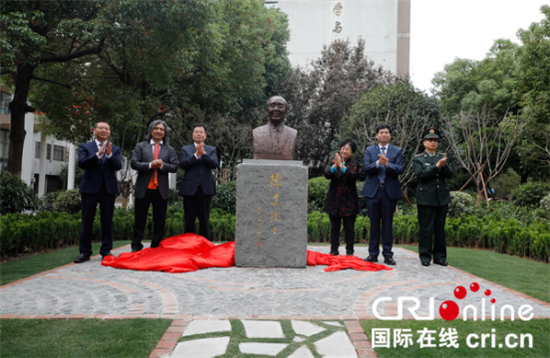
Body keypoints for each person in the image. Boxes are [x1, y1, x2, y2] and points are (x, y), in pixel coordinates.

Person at [74, 121, 122, 263]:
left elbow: (118, 166)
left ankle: (106, 251)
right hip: (90, 188)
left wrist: (108, 155)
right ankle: (85, 252)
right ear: (94, 130)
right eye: (101, 128)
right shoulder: (85, 147)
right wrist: (98, 155)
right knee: (87, 220)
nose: (104, 130)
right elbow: (82, 163)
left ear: (110, 132)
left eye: (107, 128)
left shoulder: (115, 148)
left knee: (107, 221)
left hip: (108, 189)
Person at [130, 120, 178, 252]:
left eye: (162, 129)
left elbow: (174, 167)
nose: (159, 131)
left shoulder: (169, 149)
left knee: (160, 220)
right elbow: (134, 163)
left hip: (160, 189)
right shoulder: (141, 146)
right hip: (143, 188)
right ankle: (136, 246)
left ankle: (156, 246)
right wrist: (150, 165)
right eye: (156, 128)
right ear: (151, 130)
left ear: (165, 133)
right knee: (139, 219)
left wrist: (162, 165)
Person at [362, 124, 403, 265]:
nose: (384, 135)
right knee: (373, 224)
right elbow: (366, 168)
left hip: (389, 192)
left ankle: (388, 255)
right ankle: (372, 254)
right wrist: (378, 163)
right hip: (373, 191)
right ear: (377, 135)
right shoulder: (370, 150)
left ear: (390, 135)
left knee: (387, 225)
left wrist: (387, 165)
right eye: (381, 133)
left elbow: (400, 169)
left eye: (386, 132)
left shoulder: (397, 151)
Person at [412, 127, 453, 267]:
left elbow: (450, 174)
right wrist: (436, 167)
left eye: (435, 140)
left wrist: (443, 165)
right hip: (426, 198)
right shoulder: (418, 159)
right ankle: (425, 256)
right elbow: (421, 174)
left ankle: (440, 257)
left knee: (440, 228)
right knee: (426, 229)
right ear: (424, 142)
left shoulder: (442, 156)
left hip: (441, 197)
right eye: (430, 140)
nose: (433, 143)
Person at [178, 124, 219, 240]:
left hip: (205, 189)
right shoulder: (185, 149)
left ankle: (205, 245)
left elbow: (214, 165)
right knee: (189, 219)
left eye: (201, 132)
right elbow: (182, 164)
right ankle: (188, 245)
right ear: (192, 135)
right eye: (196, 132)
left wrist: (204, 154)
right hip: (189, 189)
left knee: (204, 220)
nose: (198, 134)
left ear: (205, 135)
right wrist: (196, 155)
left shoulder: (211, 149)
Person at [323, 138, 360, 256]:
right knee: (334, 228)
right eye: (343, 148)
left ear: (352, 152)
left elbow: (352, 176)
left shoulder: (354, 164)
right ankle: (334, 250)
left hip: (349, 202)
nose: (344, 151)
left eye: (347, 149)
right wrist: (335, 166)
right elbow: (327, 174)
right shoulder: (333, 162)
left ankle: (350, 251)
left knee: (349, 228)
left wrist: (342, 166)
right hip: (334, 202)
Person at [253, 96, 297, 160]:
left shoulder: (292, 133)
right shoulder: (257, 132)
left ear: (286, 112)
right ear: (267, 111)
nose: (276, 109)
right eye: (272, 105)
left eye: (280, 106)